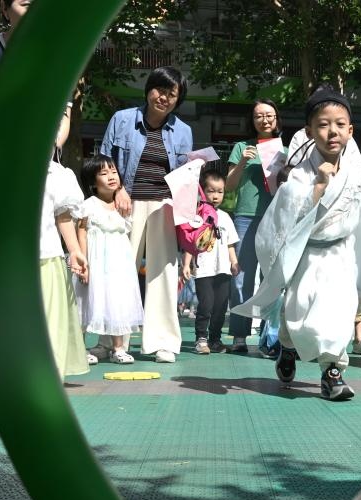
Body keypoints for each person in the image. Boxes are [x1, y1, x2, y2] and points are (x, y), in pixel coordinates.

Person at [234, 87, 361, 400]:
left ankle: (332, 372)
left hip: (342, 254)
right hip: (307, 254)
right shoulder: (300, 175)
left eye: (340, 124)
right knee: (298, 313)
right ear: (310, 131)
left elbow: (357, 203)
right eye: (323, 125)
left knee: (338, 313)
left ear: (350, 130)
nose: (332, 131)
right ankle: (287, 347)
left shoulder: (352, 171)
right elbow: (288, 214)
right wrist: (318, 187)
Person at [100, 66, 193, 363]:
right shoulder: (122, 119)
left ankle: (163, 342)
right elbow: (104, 161)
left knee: (163, 275)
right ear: (148, 89)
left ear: (178, 100)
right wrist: (118, 190)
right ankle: (111, 342)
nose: (163, 98)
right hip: (125, 204)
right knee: (119, 271)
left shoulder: (183, 131)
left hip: (164, 206)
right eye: (159, 90)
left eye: (171, 94)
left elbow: (184, 176)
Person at [73, 155, 144, 365]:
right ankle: (78, 349)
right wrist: (84, 262)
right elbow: (82, 232)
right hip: (94, 262)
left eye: (113, 171)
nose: (111, 176)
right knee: (85, 302)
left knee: (117, 303)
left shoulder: (123, 206)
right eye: (103, 173)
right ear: (93, 182)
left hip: (118, 266)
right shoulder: (88, 205)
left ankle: (118, 349)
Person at [225, 99, 282, 355]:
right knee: (241, 277)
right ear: (253, 120)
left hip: (276, 218)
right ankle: (239, 335)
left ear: (276, 119)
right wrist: (241, 163)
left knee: (272, 278)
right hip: (245, 218)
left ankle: (270, 337)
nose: (264, 120)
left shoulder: (285, 149)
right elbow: (229, 186)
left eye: (269, 115)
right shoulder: (242, 147)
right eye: (259, 116)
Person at [0, 1, 72, 149]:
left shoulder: (58, 59)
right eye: (27, 5)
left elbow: (64, 116)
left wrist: (47, 149)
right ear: (4, 8)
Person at [39, 155, 90, 379]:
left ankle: (49, 373)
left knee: (51, 321)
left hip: (47, 256)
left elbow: (63, 216)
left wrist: (75, 250)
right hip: (8, 259)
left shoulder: (56, 173)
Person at [182, 170, 240, 355]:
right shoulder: (197, 216)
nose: (216, 196)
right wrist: (186, 264)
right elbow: (190, 243)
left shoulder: (226, 217)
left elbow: (230, 243)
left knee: (220, 307)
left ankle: (215, 339)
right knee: (206, 305)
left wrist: (234, 262)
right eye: (211, 191)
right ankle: (201, 339)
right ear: (202, 191)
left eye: (220, 191)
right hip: (204, 270)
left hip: (223, 270)